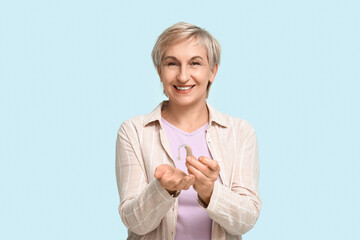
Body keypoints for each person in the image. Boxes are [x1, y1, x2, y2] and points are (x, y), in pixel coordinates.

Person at [115, 22, 261, 240]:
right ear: (160, 71)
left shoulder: (240, 133)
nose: (183, 76)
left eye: (195, 63)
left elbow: (246, 220)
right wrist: (163, 189)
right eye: (172, 64)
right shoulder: (134, 131)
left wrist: (210, 192)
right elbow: (134, 222)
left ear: (213, 71)